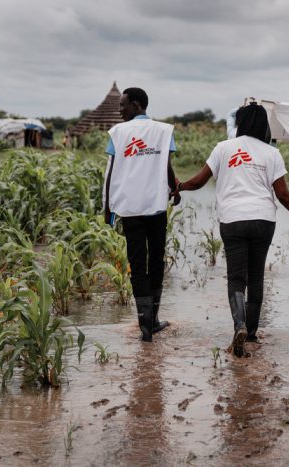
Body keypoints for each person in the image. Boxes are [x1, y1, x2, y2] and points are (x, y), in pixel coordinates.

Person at [175, 103, 289, 358]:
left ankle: (239, 326)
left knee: (236, 277)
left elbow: (199, 181)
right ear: (264, 125)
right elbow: (284, 196)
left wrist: (178, 186)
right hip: (263, 220)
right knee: (256, 277)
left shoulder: (223, 148)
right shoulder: (271, 153)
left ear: (241, 123)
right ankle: (252, 333)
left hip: (232, 219)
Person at [103, 87, 179, 343]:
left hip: (130, 209)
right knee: (156, 261)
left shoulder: (117, 133)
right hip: (156, 206)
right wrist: (174, 189)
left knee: (137, 265)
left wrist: (108, 208)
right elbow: (166, 165)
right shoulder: (164, 130)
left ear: (136, 105)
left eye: (123, 105)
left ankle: (145, 326)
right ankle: (153, 320)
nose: (119, 109)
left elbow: (109, 173)